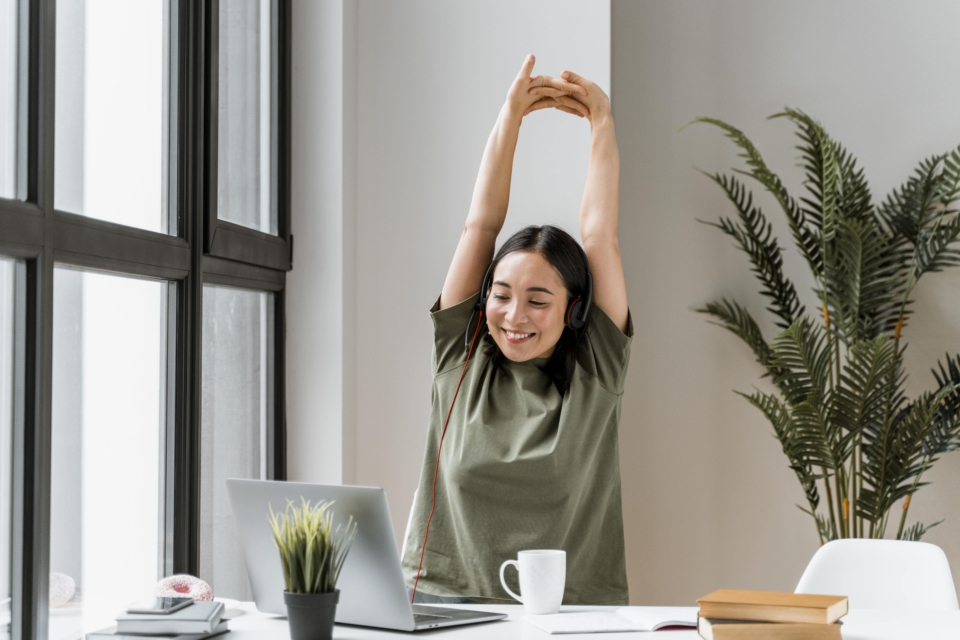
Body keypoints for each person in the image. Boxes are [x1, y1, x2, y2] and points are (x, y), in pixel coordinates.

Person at [401, 54, 631, 606]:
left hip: (570, 619)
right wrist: (510, 117)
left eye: (537, 300)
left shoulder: (597, 368)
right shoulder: (461, 354)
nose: (513, 315)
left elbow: (599, 237)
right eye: (501, 296)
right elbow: (480, 223)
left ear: (575, 310)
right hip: (440, 607)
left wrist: (601, 122)